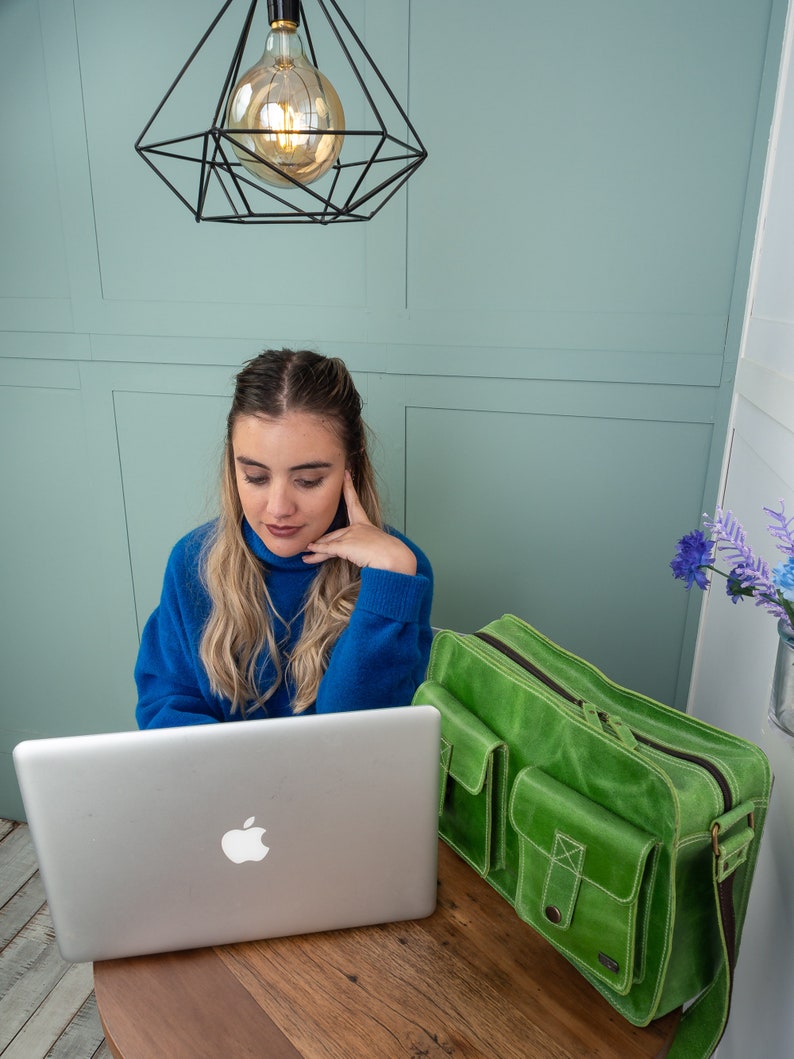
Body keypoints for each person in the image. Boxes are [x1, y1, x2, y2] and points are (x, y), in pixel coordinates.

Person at [135, 349, 434, 728]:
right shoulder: (192, 561)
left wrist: (387, 584)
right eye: (256, 477)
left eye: (307, 481)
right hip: (220, 783)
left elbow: (357, 738)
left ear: (351, 466)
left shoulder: (400, 571)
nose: (278, 508)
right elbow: (166, 704)